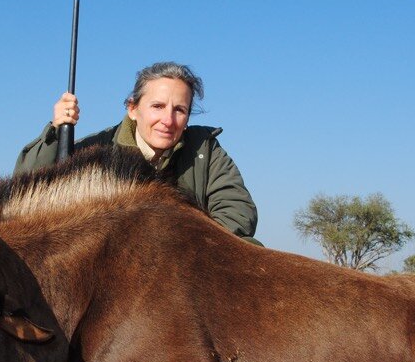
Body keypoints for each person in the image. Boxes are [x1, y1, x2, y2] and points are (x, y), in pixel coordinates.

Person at [15, 61, 260, 242]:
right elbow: (25, 189)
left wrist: (182, 250)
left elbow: (238, 212)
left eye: (180, 110)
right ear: (133, 109)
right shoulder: (95, 150)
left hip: (187, 267)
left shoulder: (206, 149)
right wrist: (55, 133)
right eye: (157, 106)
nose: (168, 120)